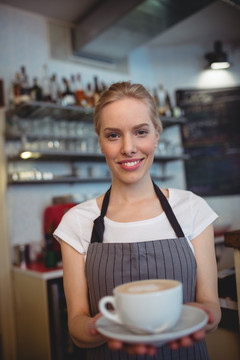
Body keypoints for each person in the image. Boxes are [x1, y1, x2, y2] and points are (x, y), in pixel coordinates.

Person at [54, 81, 221, 359]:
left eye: (140, 132)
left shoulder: (193, 209)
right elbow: (77, 326)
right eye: (113, 135)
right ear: (100, 142)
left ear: (156, 135)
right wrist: (98, 328)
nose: (128, 148)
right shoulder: (77, 222)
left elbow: (210, 307)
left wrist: (207, 316)